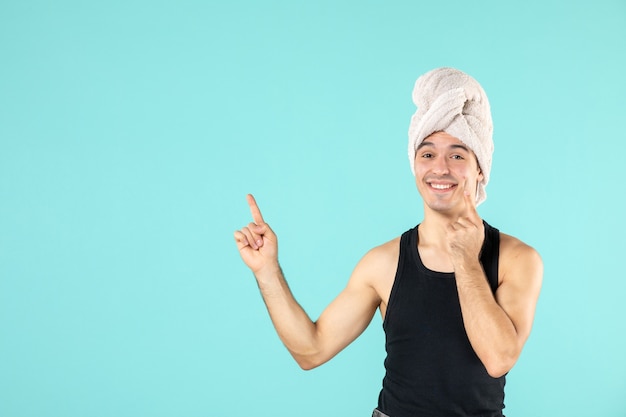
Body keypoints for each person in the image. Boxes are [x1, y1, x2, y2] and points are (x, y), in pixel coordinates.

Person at [233, 67, 543, 417]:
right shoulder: (383, 263)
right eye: (427, 154)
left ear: (480, 169)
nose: (440, 168)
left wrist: (466, 259)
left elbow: (499, 358)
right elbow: (311, 350)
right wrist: (267, 271)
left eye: (457, 155)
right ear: (414, 165)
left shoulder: (518, 259)